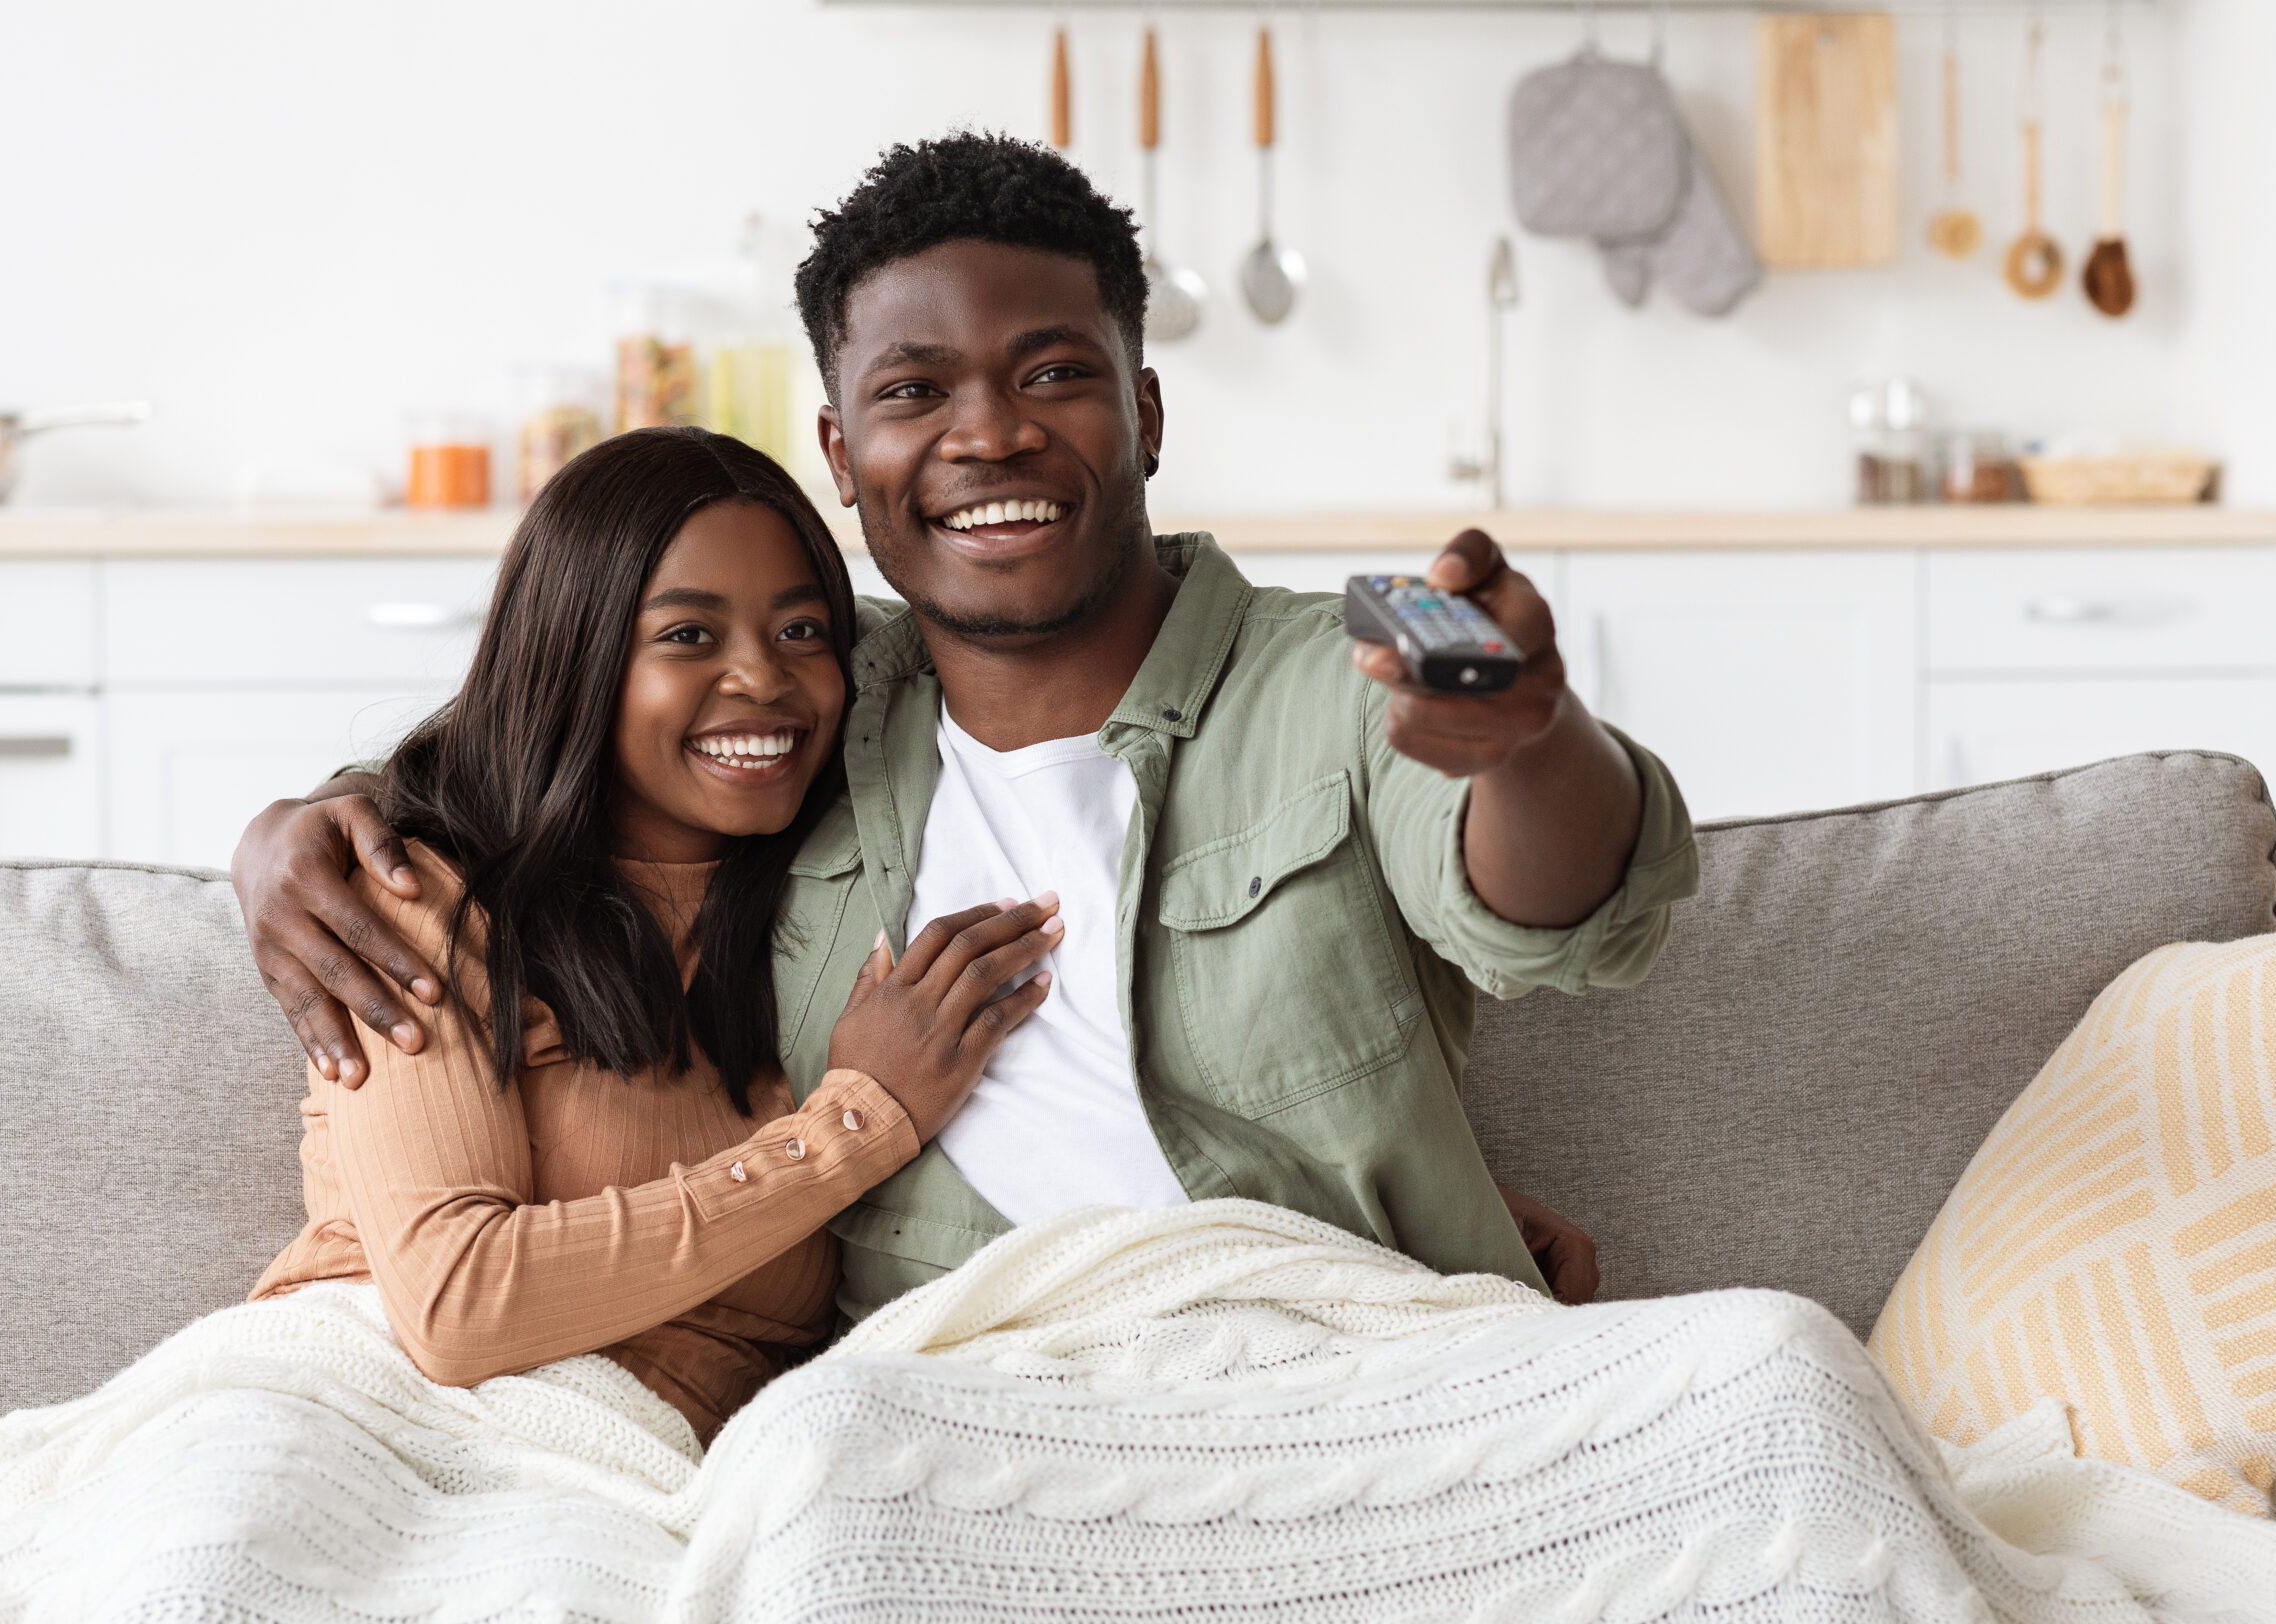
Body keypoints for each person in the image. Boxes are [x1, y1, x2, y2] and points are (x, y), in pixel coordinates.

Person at [233, 133, 1697, 1326]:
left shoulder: (1357, 648)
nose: (987, 432)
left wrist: (1525, 729)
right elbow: (544, 736)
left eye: (1053, 373)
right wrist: (293, 835)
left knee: (1773, 1364)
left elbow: (1572, 915)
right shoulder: (810, 695)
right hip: (955, 1388)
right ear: (842, 459)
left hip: (1345, 1351)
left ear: (1147, 408)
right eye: (913, 392)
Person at [247, 425, 1061, 1444]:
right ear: (574, 655)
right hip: (368, 1426)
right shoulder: (422, 897)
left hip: (662, 1471)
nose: (763, 678)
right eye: (688, 635)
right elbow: (457, 1307)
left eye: (803, 631)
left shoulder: (833, 896)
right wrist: (853, 1125)